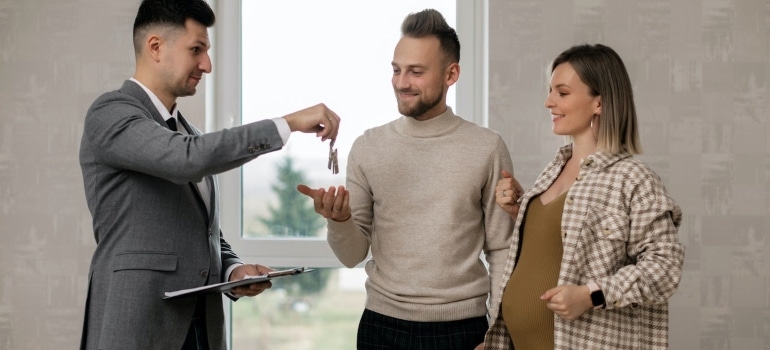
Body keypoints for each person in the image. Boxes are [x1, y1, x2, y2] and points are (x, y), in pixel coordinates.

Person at [78, 1, 340, 349]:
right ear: (155, 47)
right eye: (196, 50)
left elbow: (203, 231)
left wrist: (233, 271)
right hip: (137, 328)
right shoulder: (110, 114)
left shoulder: (190, 134)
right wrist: (286, 124)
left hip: (202, 331)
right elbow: (185, 160)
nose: (207, 65)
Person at [297, 9, 519, 350]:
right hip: (381, 328)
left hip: (462, 330)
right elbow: (351, 255)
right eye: (397, 70)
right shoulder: (368, 147)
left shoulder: (486, 147)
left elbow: (502, 247)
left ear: (451, 74)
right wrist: (339, 221)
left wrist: (499, 333)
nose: (402, 82)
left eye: (416, 72)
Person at [483, 43, 685, 349]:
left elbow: (664, 268)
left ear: (599, 103)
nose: (548, 102)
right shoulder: (554, 169)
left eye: (562, 93)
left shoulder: (633, 178)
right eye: (550, 91)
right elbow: (555, 246)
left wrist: (592, 294)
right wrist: (521, 211)